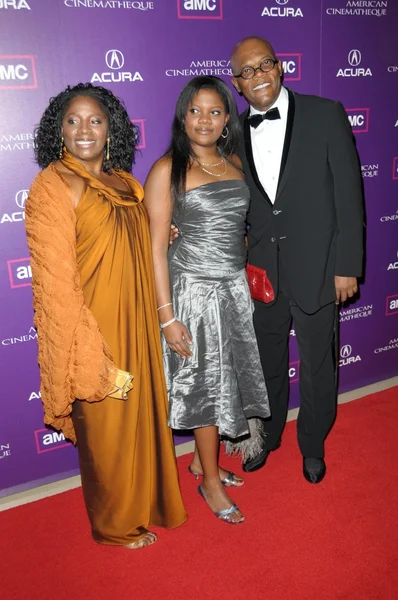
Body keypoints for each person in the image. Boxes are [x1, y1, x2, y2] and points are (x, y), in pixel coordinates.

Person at [25, 83, 187, 549]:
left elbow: (136, 242)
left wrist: (161, 236)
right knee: (108, 432)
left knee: (142, 420)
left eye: (95, 120)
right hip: (93, 330)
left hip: (137, 321)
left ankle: (150, 504)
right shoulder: (52, 185)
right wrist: (88, 355)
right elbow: (55, 283)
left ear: (111, 128)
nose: (84, 130)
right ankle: (114, 526)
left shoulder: (127, 182)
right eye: (72, 121)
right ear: (58, 130)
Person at [229, 36, 364, 482]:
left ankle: (313, 443)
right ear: (237, 84)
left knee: (317, 364)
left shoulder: (326, 113)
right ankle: (266, 435)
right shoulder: (231, 131)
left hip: (320, 267)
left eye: (264, 64)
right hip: (263, 271)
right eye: (246, 72)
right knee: (266, 360)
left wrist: (348, 265)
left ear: (280, 67)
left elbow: (349, 194)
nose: (258, 76)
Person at [144, 76, 270, 524]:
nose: (204, 120)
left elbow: (238, 229)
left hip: (232, 290)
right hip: (191, 295)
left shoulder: (234, 162)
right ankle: (210, 482)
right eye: (195, 110)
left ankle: (202, 462)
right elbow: (156, 248)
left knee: (225, 380)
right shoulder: (167, 169)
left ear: (226, 119)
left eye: (215, 111)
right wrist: (166, 318)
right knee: (203, 384)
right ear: (183, 115)